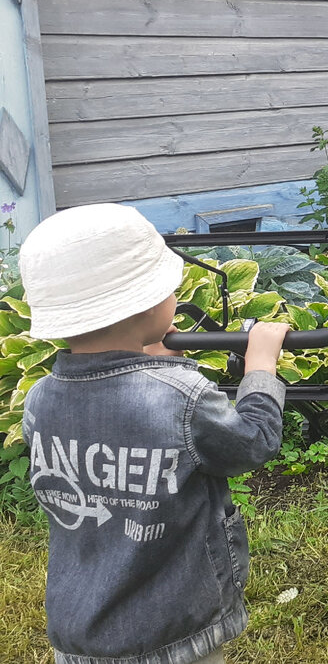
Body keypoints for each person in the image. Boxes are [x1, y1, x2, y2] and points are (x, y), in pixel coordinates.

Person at [18, 203, 290, 664]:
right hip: (175, 629)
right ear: (146, 303)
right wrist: (261, 369)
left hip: (82, 630)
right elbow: (252, 441)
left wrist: (150, 362)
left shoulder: (41, 397)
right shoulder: (181, 396)